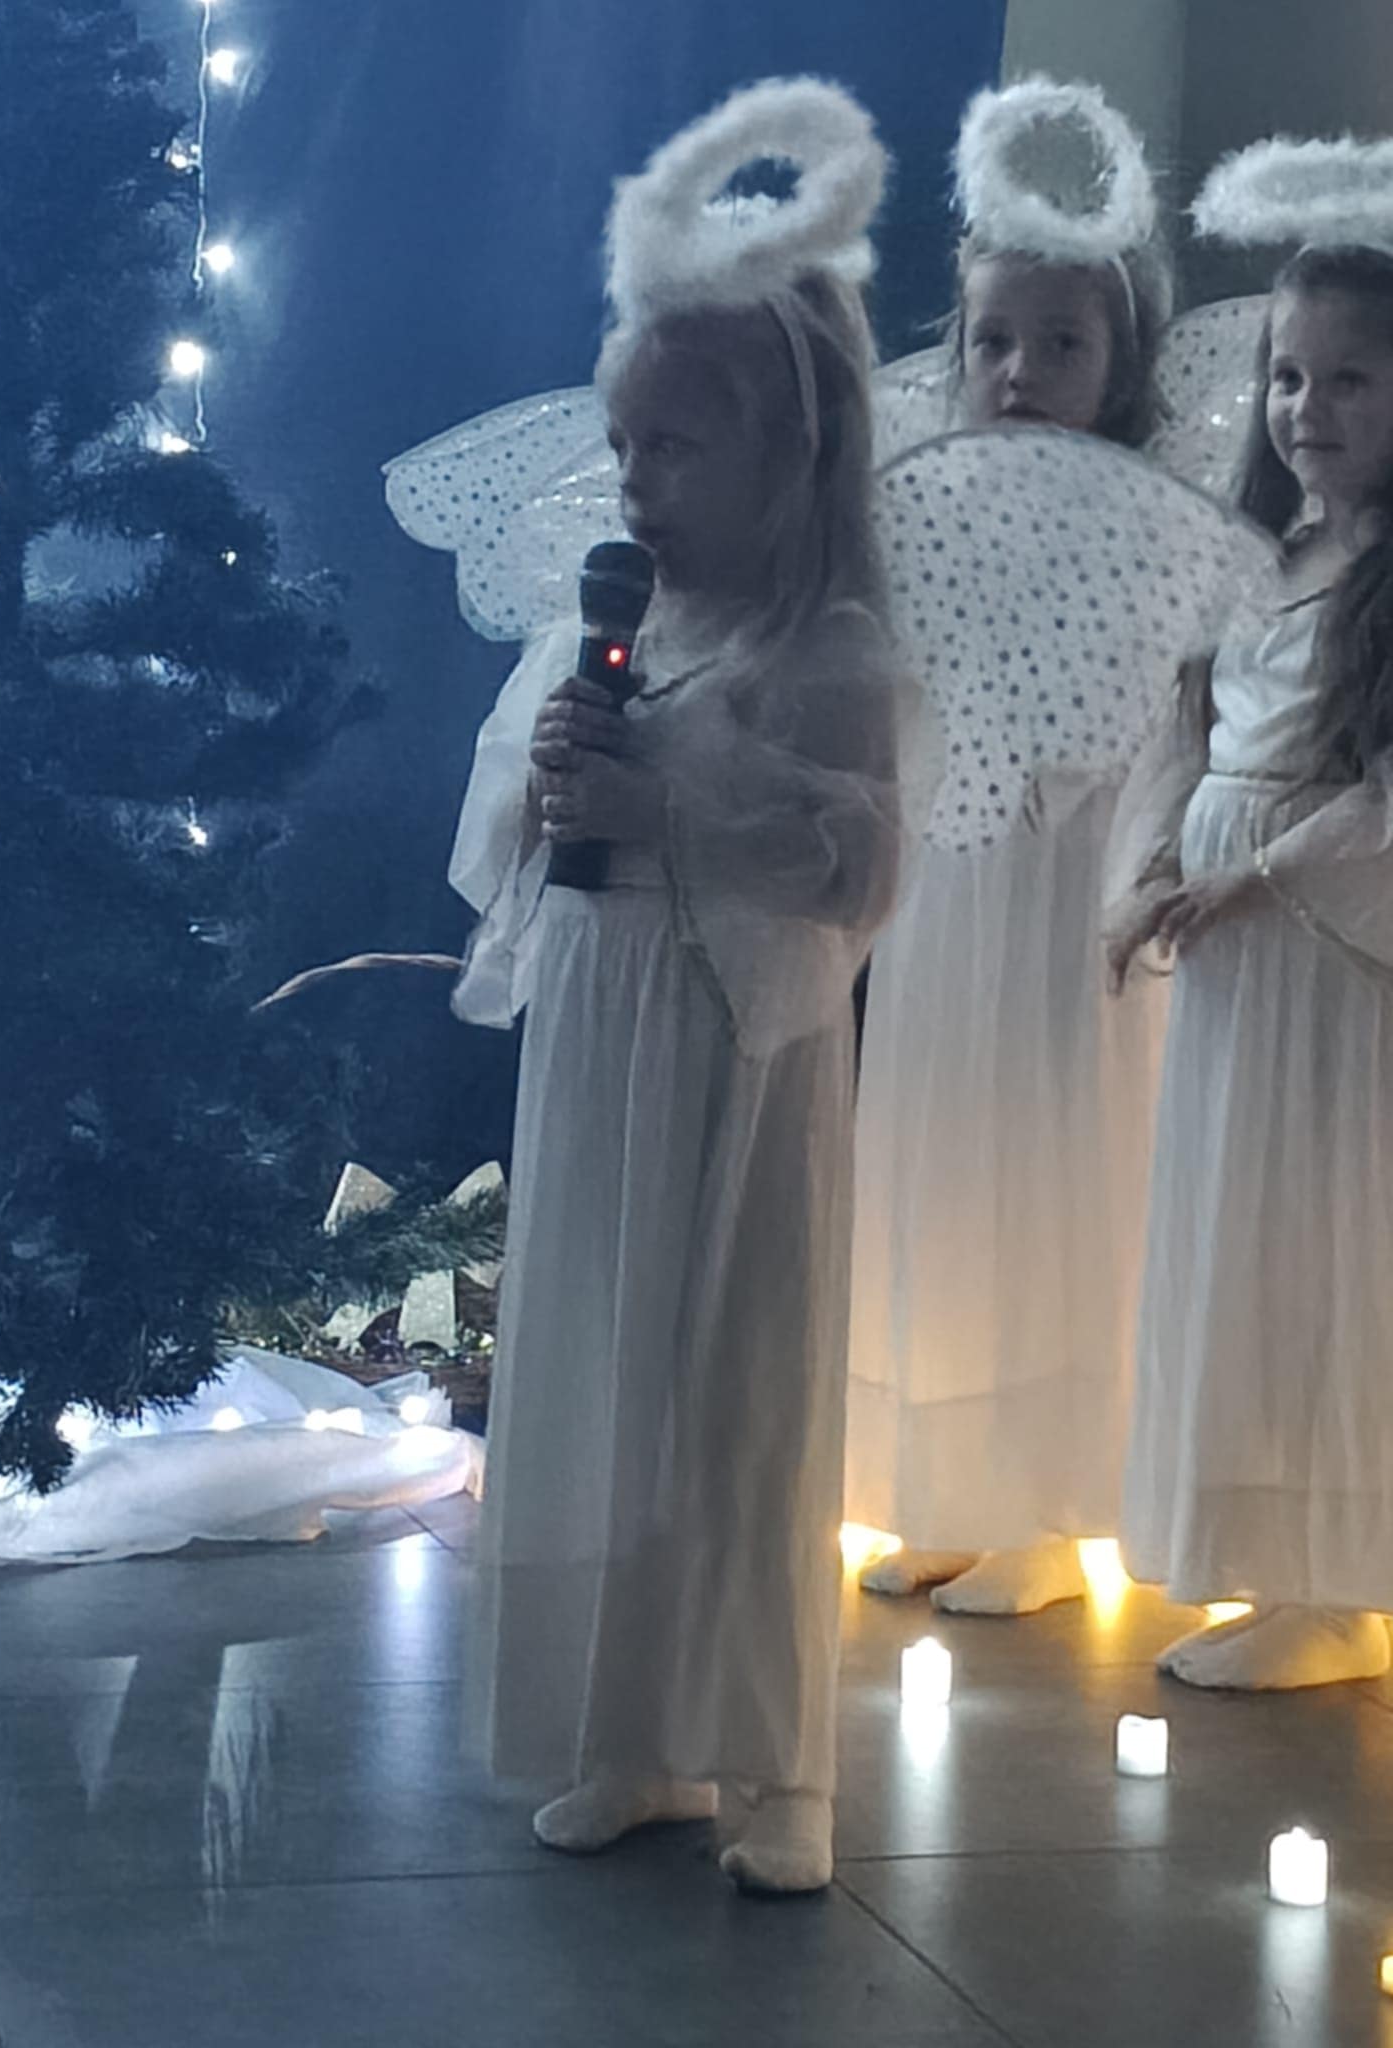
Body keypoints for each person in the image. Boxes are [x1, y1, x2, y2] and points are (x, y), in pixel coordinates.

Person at [448, 79, 902, 1892]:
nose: (638, 486)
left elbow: (858, 868)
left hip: (738, 1058)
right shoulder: (607, 634)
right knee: (611, 1385)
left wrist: (679, 802)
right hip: (601, 1034)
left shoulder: (833, 649)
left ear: (792, 455)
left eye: (680, 451)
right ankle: (631, 1732)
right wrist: (553, 774)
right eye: (625, 447)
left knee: (740, 1397)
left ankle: (779, 1767)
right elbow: (504, 837)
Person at [849, 80, 1174, 1615]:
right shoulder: (927, 515)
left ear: (1118, 367)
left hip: (1068, 884)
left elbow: (1152, 711)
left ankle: (1056, 1498)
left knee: (1060, 1173)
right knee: (948, 1173)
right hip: (952, 889)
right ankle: (951, 1481)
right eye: (993, 341)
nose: (1020, 371)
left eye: (1060, 344)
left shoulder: (1144, 524)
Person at [1109, 142, 1393, 1689]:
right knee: (1237, 1241)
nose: (1307, 408)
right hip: (1236, 952)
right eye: (1290, 376)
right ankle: (1271, 1556)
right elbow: (1186, 734)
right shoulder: (1261, 561)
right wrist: (1146, 873)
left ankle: (1337, 1580)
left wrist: (1259, 876)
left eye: (1350, 380)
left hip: (1329, 958)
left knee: (1318, 1239)